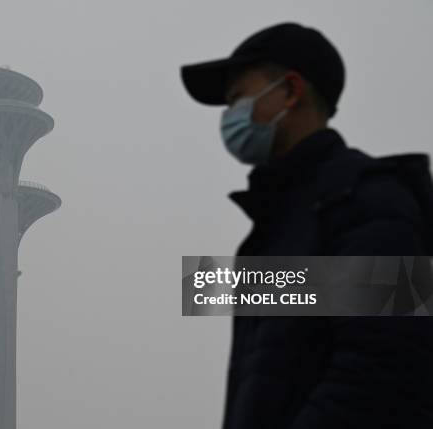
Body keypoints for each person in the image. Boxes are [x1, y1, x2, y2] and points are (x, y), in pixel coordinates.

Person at [180, 22, 433, 428]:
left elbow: (385, 373)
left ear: (291, 91)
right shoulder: (279, 226)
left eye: (238, 99)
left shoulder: (367, 201)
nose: (229, 117)